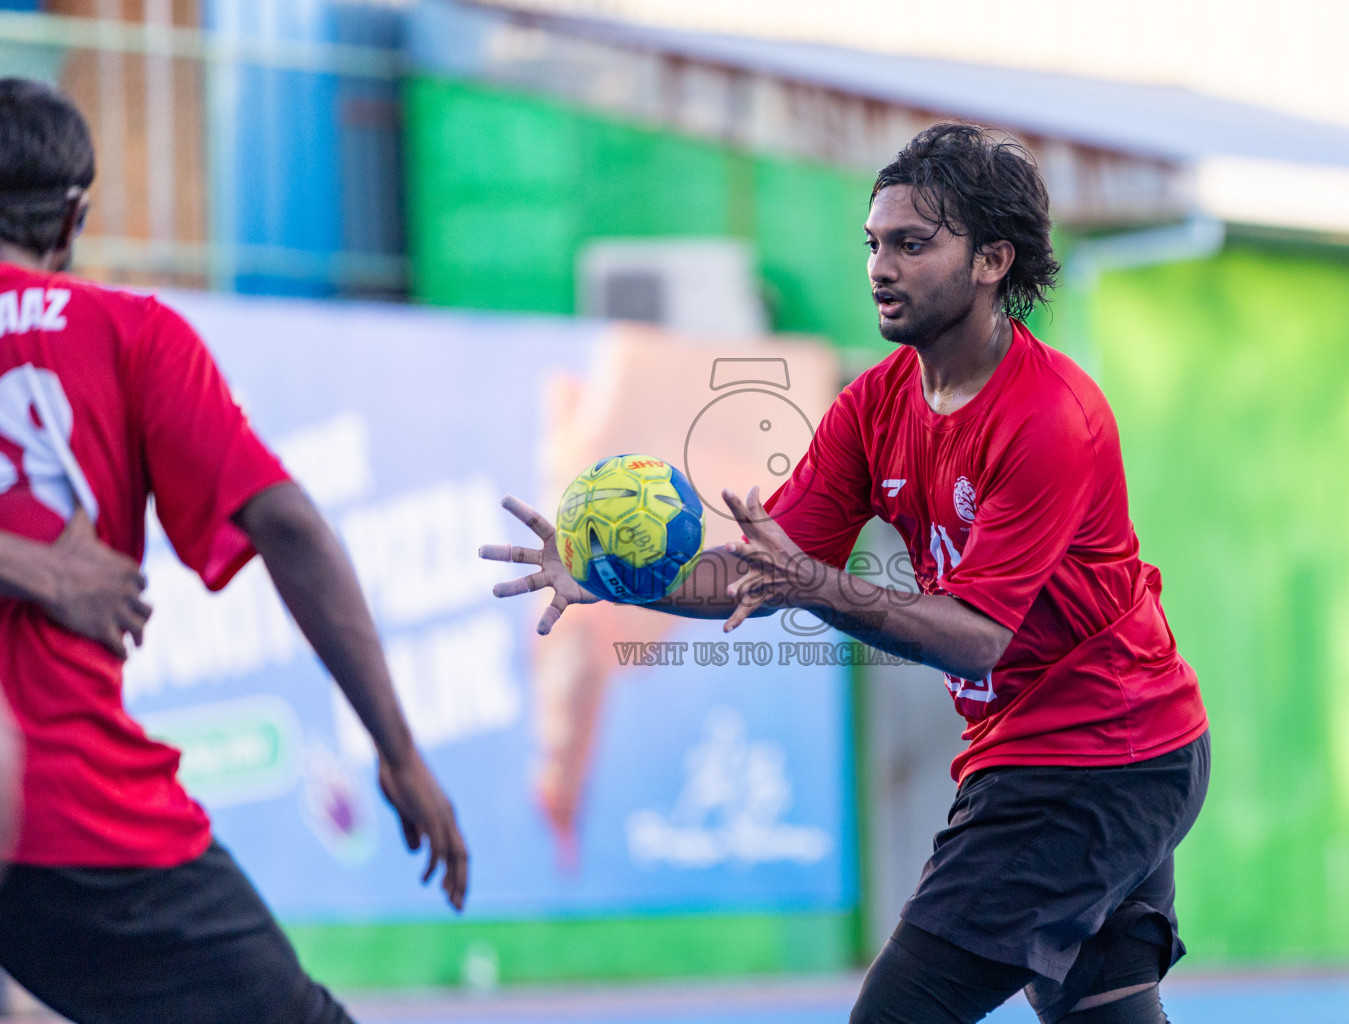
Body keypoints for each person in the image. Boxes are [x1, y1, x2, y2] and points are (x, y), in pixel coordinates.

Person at [484, 123, 1209, 1024]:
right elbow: (760, 570)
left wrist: (814, 586)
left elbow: (977, 639)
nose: (881, 266)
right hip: (1086, 751)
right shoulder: (874, 405)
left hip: (1096, 754)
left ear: (992, 261)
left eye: (912, 244)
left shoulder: (1050, 417)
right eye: (873, 242)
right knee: (1101, 1015)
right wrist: (621, 581)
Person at [0, 78, 468, 1024]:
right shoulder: (127, 335)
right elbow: (289, 526)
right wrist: (398, 750)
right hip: (69, 820)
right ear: (75, 215)